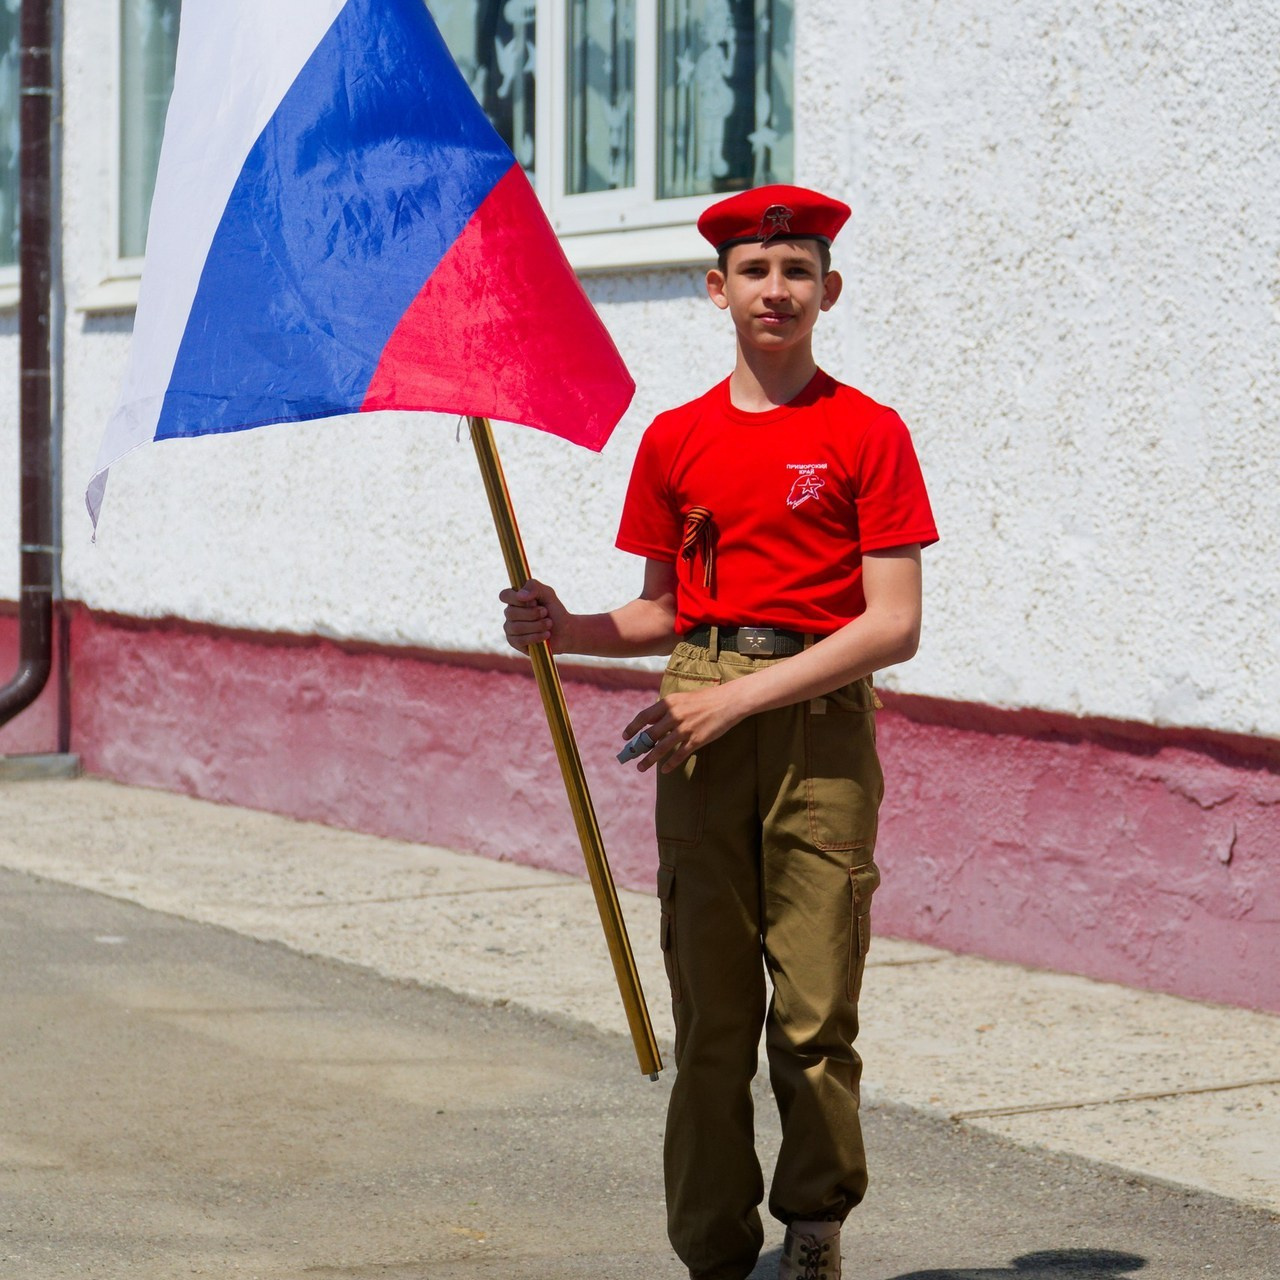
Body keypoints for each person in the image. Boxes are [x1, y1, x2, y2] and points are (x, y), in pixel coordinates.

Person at [500, 184, 938, 1280]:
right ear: (717, 288)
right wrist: (565, 625)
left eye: (795, 272)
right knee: (707, 1021)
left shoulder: (866, 432)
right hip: (696, 714)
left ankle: (813, 1228)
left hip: (816, 729)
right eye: (754, 270)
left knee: (811, 1014)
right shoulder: (676, 437)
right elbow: (661, 609)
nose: (774, 289)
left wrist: (743, 695)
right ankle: (710, 1252)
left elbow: (892, 624)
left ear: (826, 291)